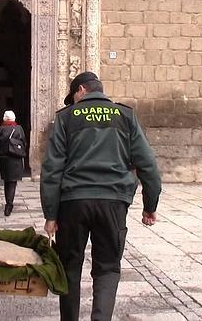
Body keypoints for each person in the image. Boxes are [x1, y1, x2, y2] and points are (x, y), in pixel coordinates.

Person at [40, 71, 162, 321]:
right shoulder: (125, 116)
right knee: (107, 268)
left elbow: (52, 170)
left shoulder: (66, 118)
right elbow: (148, 165)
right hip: (113, 202)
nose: (72, 102)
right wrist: (150, 206)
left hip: (73, 202)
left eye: (73, 96)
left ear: (81, 90)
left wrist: (50, 215)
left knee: (69, 268)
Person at [0, 110, 26, 216]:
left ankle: (8, 203)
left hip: (4, 159)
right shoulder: (18, 129)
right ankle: (9, 205)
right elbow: (24, 143)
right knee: (12, 183)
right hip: (15, 159)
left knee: (6, 182)